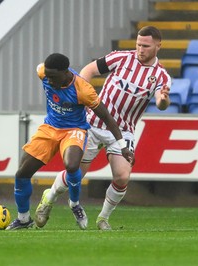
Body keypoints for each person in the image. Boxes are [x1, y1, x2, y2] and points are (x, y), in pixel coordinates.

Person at [35, 26, 171, 230]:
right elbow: (89, 70)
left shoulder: (161, 77)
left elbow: (161, 103)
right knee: (76, 174)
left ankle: (103, 218)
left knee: (122, 176)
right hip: (92, 122)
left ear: (158, 46)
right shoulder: (121, 58)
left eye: (145, 46)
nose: (140, 49)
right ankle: (49, 196)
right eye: (138, 45)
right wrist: (79, 93)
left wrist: (163, 100)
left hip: (123, 130)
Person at [5, 53, 134, 230]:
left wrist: (123, 146)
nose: (49, 81)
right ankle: (24, 219)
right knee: (22, 173)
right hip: (49, 128)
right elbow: (41, 69)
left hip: (74, 130)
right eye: (47, 76)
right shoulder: (43, 72)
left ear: (66, 72)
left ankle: (74, 204)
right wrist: (47, 74)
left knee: (72, 166)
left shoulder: (83, 89)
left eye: (53, 77)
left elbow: (107, 117)